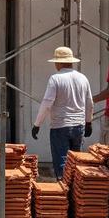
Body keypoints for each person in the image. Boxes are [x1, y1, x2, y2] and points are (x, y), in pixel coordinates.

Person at [31, 46, 93, 180]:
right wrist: (88, 122)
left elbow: (47, 103)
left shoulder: (55, 79)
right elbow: (89, 103)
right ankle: (74, 195)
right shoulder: (83, 78)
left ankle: (63, 191)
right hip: (79, 126)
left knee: (62, 165)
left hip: (60, 126)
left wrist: (37, 124)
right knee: (76, 163)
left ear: (58, 63)